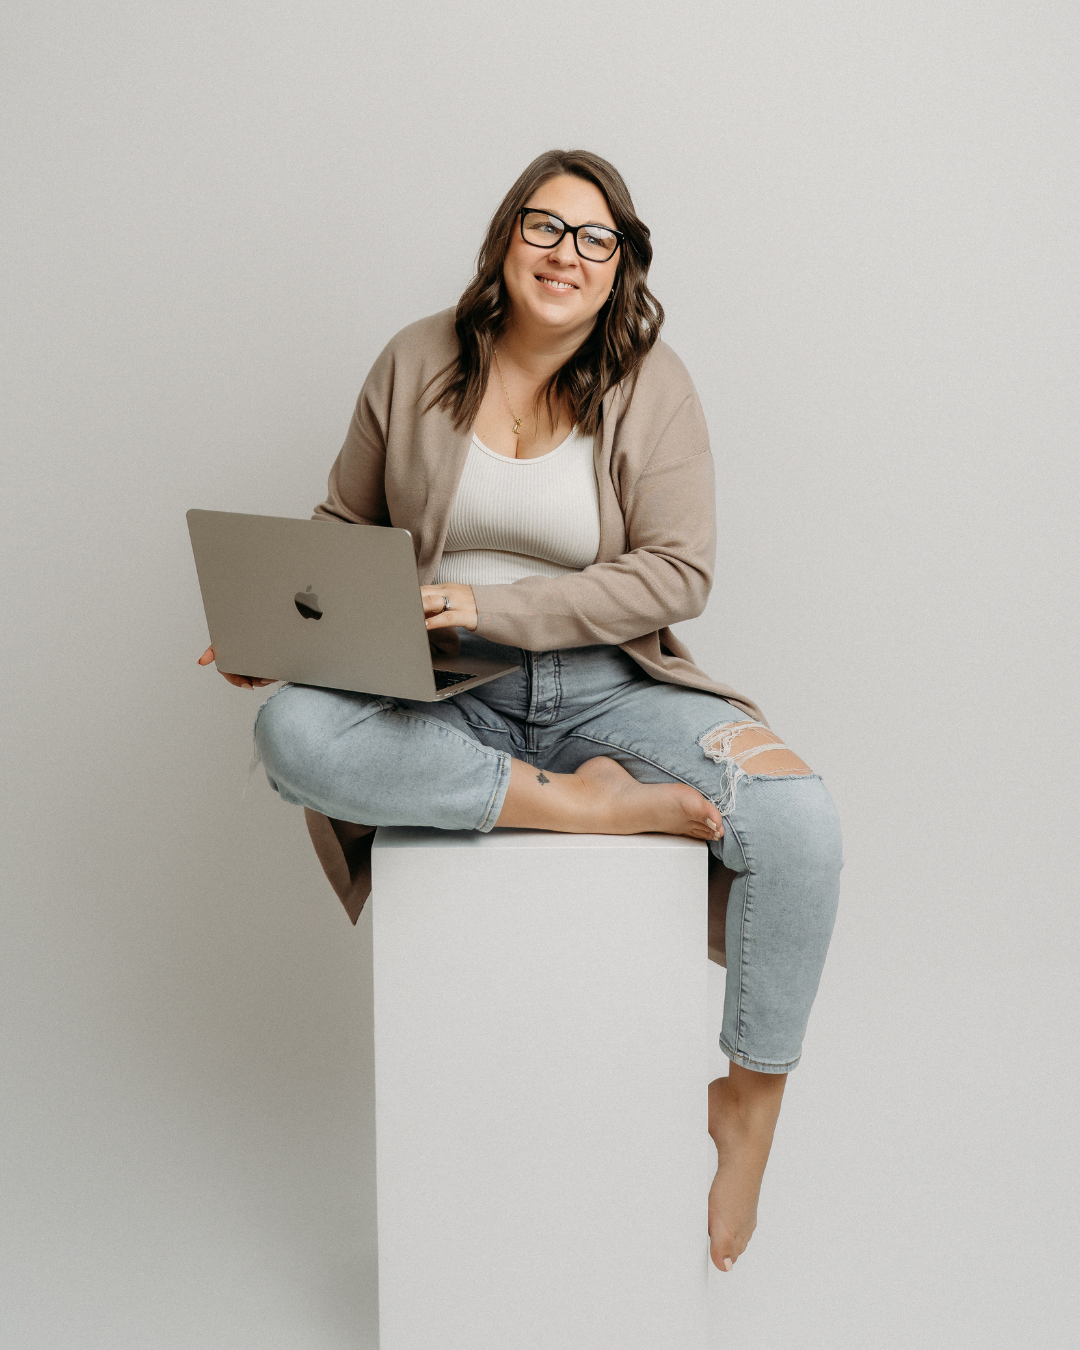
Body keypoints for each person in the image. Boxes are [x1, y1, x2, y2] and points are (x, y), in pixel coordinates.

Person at [197, 149, 842, 1272]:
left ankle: (748, 1103)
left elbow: (679, 574)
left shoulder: (653, 381)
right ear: (506, 239)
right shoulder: (415, 360)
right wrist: (283, 633)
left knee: (801, 826)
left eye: (597, 240)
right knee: (290, 732)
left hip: (607, 682)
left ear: (621, 269)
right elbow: (343, 526)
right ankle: (585, 811)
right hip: (434, 685)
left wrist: (489, 599)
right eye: (546, 226)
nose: (567, 254)